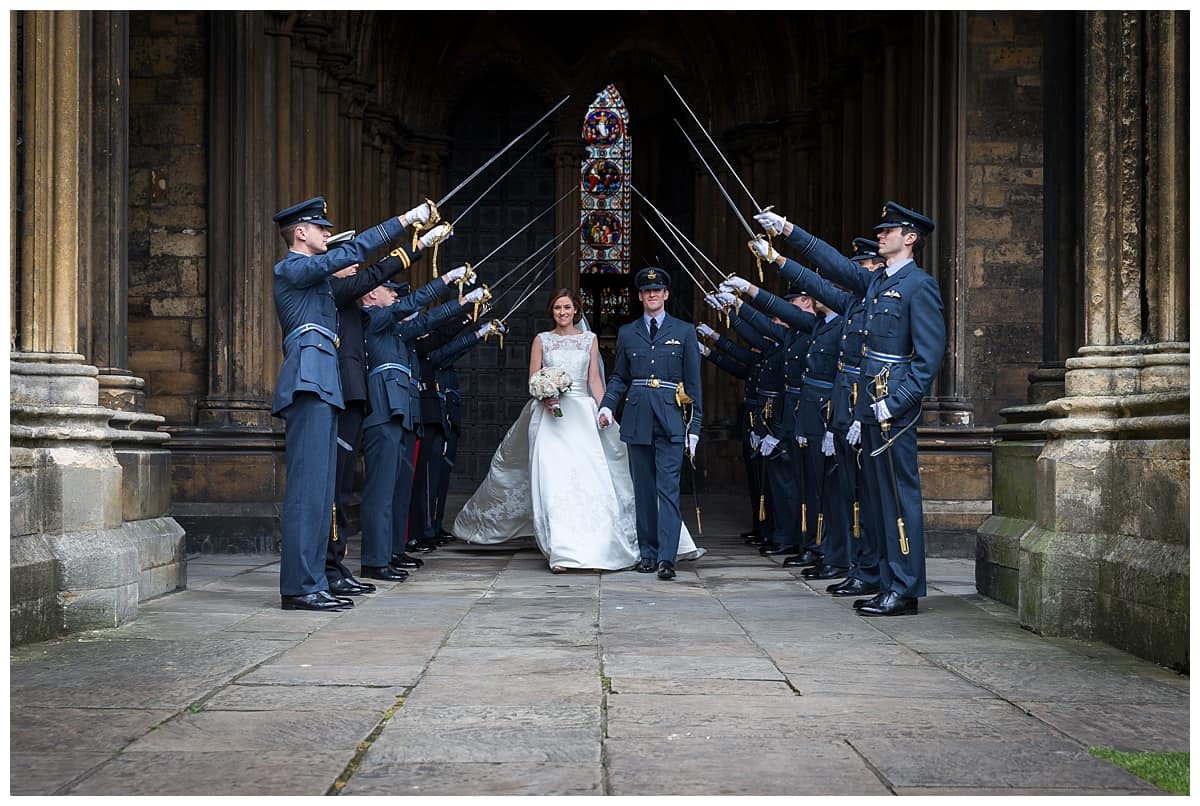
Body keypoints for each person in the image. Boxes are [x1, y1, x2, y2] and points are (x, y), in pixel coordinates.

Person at [752, 202, 945, 616]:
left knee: (897, 498)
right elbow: (832, 268)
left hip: (890, 409)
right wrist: (788, 231)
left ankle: (906, 586)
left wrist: (892, 404)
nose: (881, 234)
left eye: (888, 230)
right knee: (875, 499)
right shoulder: (876, 285)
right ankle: (885, 578)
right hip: (868, 405)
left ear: (909, 238)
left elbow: (928, 358)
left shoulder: (918, 285)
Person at [269, 195, 449, 612]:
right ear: (300, 233)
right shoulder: (292, 267)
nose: (328, 235)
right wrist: (404, 221)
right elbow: (354, 255)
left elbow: (369, 281)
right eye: (321, 229)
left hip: (324, 385)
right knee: (306, 493)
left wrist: (418, 249)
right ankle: (299, 585)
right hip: (307, 384)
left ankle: (315, 578)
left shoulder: (316, 282)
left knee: (322, 495)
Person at [453, 287, 704, 571]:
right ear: (552, 311)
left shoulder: (590, 340)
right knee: (553, 482)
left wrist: (604, 409)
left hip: (582, 415)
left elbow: (595, 379)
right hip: (549, 419)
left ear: (576, 311)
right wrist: (544, 393)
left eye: (567, 307)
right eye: (558, 308)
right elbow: (534, 378)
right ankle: (559, 549)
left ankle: (596, 543)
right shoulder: (542, 340)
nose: (563, 312)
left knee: (587, 479)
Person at [359, 272, 485, 582]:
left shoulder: (394, 330)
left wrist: (465, 303)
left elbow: (427, 325)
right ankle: (375, 559)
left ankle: (391, 551)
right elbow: (412, 307)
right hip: (385, 409)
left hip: (403, 411)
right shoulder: (372, 318)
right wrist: (446, 281)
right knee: (381, 490)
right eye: (389, 290)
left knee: (398, 489)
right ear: (372, 296)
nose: (396, 296)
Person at [599, 267, 704, 580]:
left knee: (668, 490)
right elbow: (620, 376)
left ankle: (667, 558)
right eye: (646, 291)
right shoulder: (628, 332)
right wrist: (606, 405)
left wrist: (695, 428)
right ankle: (648, 553)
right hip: (638, 417)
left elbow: (694, 384)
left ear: (666, 294)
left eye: (657, 290)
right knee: (643, 491)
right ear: (640, 296)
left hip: (672, 419)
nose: (652, 295)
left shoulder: (684, 331)